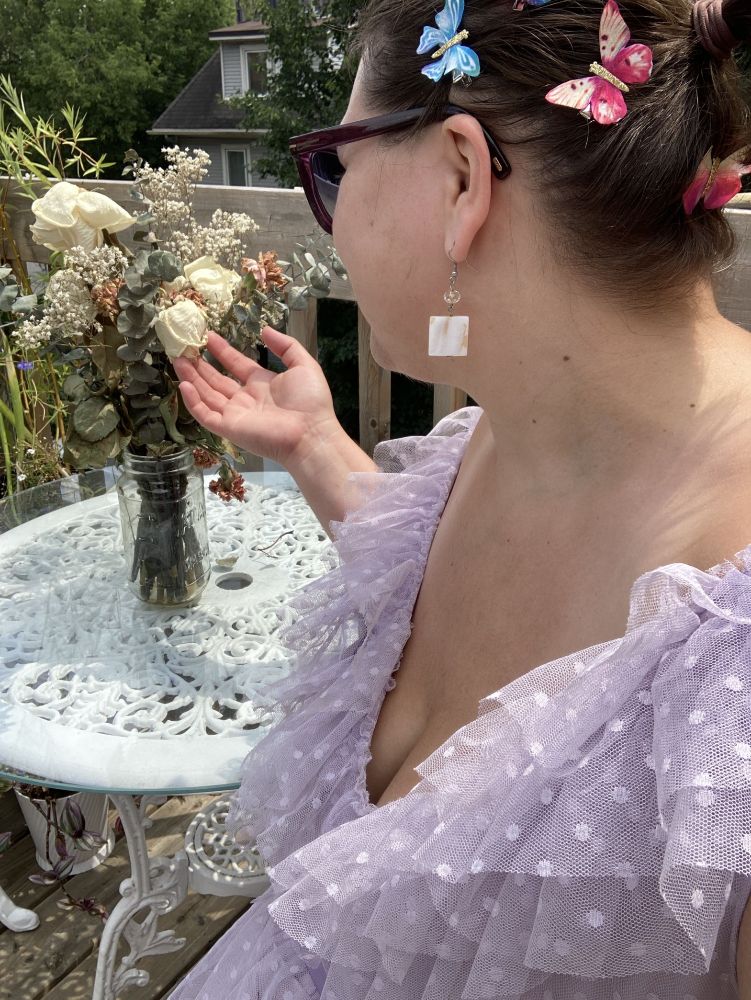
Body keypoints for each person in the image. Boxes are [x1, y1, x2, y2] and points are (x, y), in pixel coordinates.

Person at [169, 0, 751, 996]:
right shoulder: (515, 426)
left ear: (458, 176)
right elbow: (488, 651)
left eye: (335, 165)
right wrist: (315, 445)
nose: (336, 211)